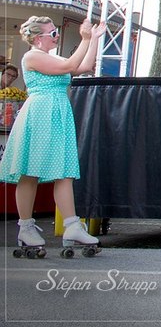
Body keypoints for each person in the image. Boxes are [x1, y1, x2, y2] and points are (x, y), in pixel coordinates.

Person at [0, 16, 106, 256]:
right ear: (38, 38)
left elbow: (83, 66)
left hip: (57, 112)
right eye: (53, 33)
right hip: (40, 112)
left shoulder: (53, 58)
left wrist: (93, 40)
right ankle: (26, 228)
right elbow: (69, 66)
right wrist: (85, 39)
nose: (56, 36)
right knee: (30, 171)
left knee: (64, 170)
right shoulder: (32, 57)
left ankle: (72, 225)